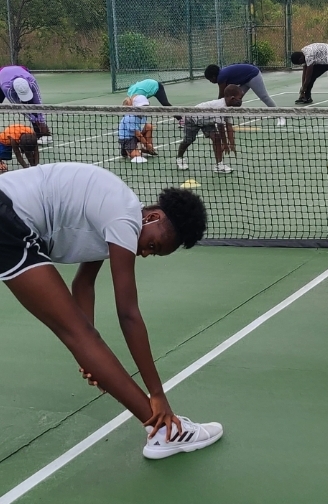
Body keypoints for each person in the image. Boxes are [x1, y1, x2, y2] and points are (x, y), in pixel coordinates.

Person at [0, 163, 222, 460]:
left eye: (153, 254)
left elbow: (83, 284)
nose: (145, 253)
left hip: (10, 219)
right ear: (152, 217)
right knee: (80, 335)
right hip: (9, 218)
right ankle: (164, 431)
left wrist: (89, 356)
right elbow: (128, 313)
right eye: (153, 244)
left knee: (82, 336)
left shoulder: (111, 219)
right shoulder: (124, 216)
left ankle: (162, 432)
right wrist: (157, 393)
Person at [176, 85, 242, 173]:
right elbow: (221, 127)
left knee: (216, 138)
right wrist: (225, 144)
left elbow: (229, 126)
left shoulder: (228, 108)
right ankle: (180, 158)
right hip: (193, 118)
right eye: (240, 98)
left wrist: (232, 144)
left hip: (207, 121)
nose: (241, 101)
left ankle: (219, 165)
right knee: (188, 140)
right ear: (232, 98)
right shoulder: (220, 107)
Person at [204, 63, 285, 127]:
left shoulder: (221, 77)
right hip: (245, 80)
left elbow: (221, 96)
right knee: (233, 100)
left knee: (264, 97)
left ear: (213, 76)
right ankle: (225, 121)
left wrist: (215, 108)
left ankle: (280, 116)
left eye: (210, 79)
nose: (211, 81)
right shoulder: (222, 74)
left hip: (253, 75)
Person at [0, 65, 51, 144]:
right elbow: (19, 107)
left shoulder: (32, 81)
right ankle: (40, 131)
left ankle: (41, 133)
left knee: (32, 104)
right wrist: (33, 119)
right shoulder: (7, 88)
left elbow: (38, 103)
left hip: (21, 70)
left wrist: (41, 121)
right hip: (2, 75)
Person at [119, 95, 156, 163]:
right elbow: (137, 134)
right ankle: (126, 150)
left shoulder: (143, 115)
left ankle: (146, 149)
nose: (144, 108)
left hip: (135, 136)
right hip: (127, 139)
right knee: (137, 156)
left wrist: (147, 144)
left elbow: (141, 129)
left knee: (148, 126)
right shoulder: (130, 118)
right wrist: (147, 144)